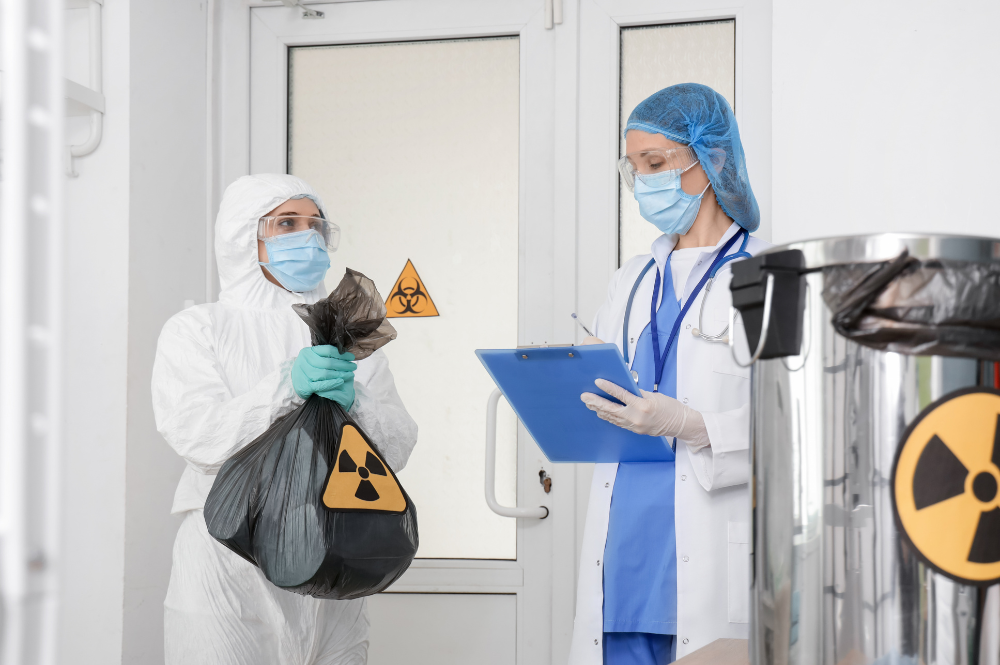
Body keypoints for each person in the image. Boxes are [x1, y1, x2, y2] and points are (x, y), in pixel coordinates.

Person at [152, 174, 418, 665]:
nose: (308, 237)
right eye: (287, 223)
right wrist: (284, 388)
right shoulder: (199, 329)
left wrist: (353, 400)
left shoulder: (348, 334)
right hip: (227, 556)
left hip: (333, 547)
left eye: (316, 225)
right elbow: (196, 434)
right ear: (242, 236)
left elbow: (397, 446)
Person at [568, 83, 771, 665]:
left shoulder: (769, 277)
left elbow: (800, 430)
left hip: (708, 547)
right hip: (623, 550)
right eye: (634, 168)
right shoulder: (632, 278)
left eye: (656, 163)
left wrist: (691, 423)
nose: (645, 182)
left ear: (712, 162)